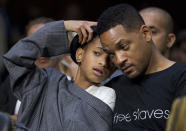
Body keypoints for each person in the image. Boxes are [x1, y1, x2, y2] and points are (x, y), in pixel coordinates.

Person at [3, 20, 116, 131]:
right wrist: (65, 25)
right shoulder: (46, 81)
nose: (103, 62)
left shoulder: (107, 94)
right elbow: (16, 58)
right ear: (79, 54)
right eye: (97, 53)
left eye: (110, 58)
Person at [97, 3, 186, 131]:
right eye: (111, 54)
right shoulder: (110, 90)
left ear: (145, 33)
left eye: (124, 47)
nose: (119, 60)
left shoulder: (181, 78)